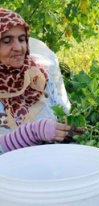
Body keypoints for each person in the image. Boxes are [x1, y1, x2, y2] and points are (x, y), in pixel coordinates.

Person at [0, 8, 77, 154]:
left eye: (22, 39)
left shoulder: (39, 78)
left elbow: (62, 117)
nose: (18, 48)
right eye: (7, 41)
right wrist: (31, 133)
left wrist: (69, 130)